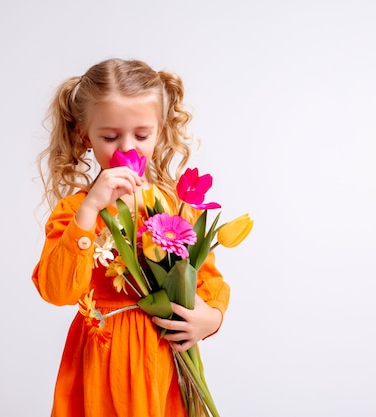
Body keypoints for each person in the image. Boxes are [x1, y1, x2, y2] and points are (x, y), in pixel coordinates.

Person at [32, 58, 230, 417]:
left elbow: (207, 280)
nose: (127, 149)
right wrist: (89, 210)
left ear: (161, 132)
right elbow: (57, 291)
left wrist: (211, 318)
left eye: (141, 135)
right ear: (84, 135)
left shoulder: (175, 207)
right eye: (110, 137)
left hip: (162, 360)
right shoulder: (74, 212)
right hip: (103, 361)